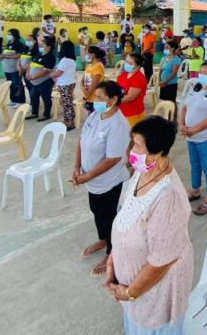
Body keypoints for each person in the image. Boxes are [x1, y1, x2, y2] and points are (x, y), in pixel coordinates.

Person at [105, 116, 193, 335]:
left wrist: (129, 293)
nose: (130, 152)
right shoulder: (142, 172)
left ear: (156, 153)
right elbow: (126, 215)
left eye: (136, 146)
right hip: (131, 287)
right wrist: (112, 261)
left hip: (154, 293)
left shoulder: (168, 198)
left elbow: (160, 262)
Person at [73, 80, 131, 275]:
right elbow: (81, 141)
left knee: (109, 217)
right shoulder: (95, 115)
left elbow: (113, 158)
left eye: (99, 98)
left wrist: (87, 175)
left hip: (109, 181)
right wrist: (76, 168)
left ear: (113, 100)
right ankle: (103, 239)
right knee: (96, 210)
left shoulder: (119, 125)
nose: (94, 101)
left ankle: (112, 252)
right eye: (94, 97)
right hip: (91, 179)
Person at [179, 61, 207, 216]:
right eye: (201, 72)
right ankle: (195, 189)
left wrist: (194, 130)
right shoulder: (195, 88)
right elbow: (185, 108)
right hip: (190, 135)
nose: (202, 75)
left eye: (206, 73)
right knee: (194, 164)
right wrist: (181, 125)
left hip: (204, 137)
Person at [27, 35, 56, 121]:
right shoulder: (39, 54)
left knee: (46, 97)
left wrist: (33, 77)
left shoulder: (50, 57)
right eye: (41, 45)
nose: (41, 47)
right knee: (33, 96)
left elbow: (45, 71)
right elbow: (31, 65)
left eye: (43, 45)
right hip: (34, 81)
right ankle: (34, 112)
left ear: (48, 47)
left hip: (45, 81)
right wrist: (28, 73)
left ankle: (46, 114)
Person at [50, 40, 78, 131]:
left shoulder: (65, 60)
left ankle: (70, 123)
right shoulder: (72, 59)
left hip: (65, 84)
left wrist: (51, 75)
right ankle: (67, 121)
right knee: (67, 102)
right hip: (69, 83)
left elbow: (58, 73)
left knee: (67, 104)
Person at [118, 52, 148, 127]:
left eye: (130, 63)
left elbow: (129, 98)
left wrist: (113, 99)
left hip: (133, 114)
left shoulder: (138, 78)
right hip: (121, 111)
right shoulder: (124, 74)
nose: (126, 64)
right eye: (126, 61)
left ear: (138, 66)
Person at [0, 29, 26, 107]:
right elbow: (5, 53)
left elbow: (19, 55)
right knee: (10, 84)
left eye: (10, 34)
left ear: (15, 35)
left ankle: (20, 100)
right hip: (7, 68)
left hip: (14, 68)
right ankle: (13, 99)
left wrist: (6, 56)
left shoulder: (18, 44)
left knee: (17, 84)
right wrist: (1, 56)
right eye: (8, 34)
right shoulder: (9, 43)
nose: (8, 35)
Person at [82, 46, 106, 114]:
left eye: (87, 53)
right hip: (88, 96)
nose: (86, 55)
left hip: (96, 98)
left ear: (93, 55)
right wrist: (84, 89)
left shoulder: (98, 66)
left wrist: (85, 97)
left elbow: (93, 85)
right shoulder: (89, 66)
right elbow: (82, 81)